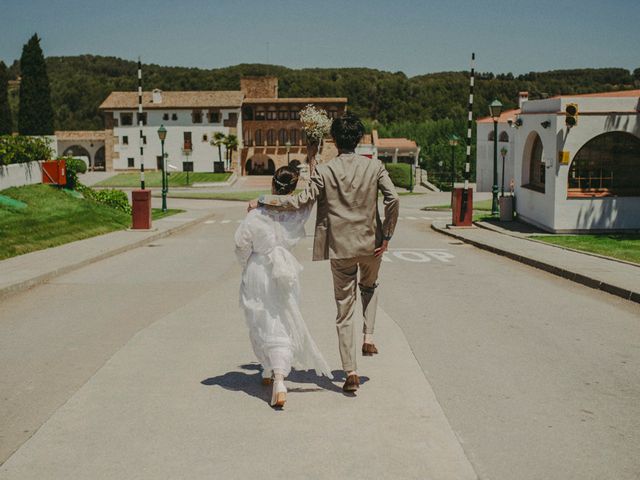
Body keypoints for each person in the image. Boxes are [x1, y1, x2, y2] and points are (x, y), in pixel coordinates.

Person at [249, 113, 399, 393]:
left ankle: (350, 370)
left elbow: (299, 201)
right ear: (358, 139)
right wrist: (387, 233)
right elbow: (393, 198)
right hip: (371, 245)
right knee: (370, 287)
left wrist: (263, 200)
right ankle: (369, 334)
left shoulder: (326, 172)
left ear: (335, 140)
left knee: (344, 310)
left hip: (341, 249)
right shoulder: (375, 167)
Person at [235, 166, 333, 408]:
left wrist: (247, 262)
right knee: (282, 318)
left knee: (261, 319)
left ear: (272, 185)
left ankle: (274, 374)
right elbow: (310, 197)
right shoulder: (298, 213)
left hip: (259, 267)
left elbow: (241, 244)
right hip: (285, 268)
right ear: (292, 189)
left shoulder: (255, 215)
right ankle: (273, 371)